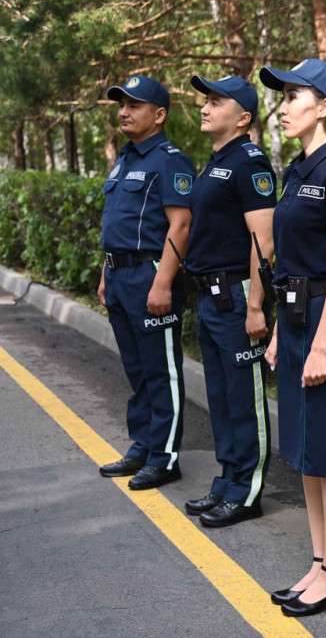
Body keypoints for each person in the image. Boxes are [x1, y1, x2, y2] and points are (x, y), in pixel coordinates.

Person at [259, 58, 326, 617]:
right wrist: (282, 328)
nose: (282, 106)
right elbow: (292, 261)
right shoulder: (297, 170)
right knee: (303, 450)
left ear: (323, 107)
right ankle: (319, 559)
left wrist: (321, 343)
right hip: (296, 315)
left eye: (292, 96)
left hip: (325, 319)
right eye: (281, 97)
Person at [181, 74, 276, 527]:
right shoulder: (216, 160)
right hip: (210, 296)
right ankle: (227, 481)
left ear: (242, 117)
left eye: (216, 102)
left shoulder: (250, 163)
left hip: (237, 294)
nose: (205, 107)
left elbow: (263, 240)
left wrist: (255, 305)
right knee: (220, 395)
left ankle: (248, 490)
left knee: (244, 397)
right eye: (205, 100)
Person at [98, 75, 195, 490]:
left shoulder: (169, 160)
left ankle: (165, 456)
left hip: (150, 276)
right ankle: (142, 445)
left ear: (159, 115)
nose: (124, 111)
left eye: (134, 105)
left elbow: (182, 224)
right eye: (121, 104)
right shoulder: (126, 158)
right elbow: (116, 225)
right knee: (137, 371)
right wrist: (106, 274)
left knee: (161, 371)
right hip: (119, 276)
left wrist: (162, 284)